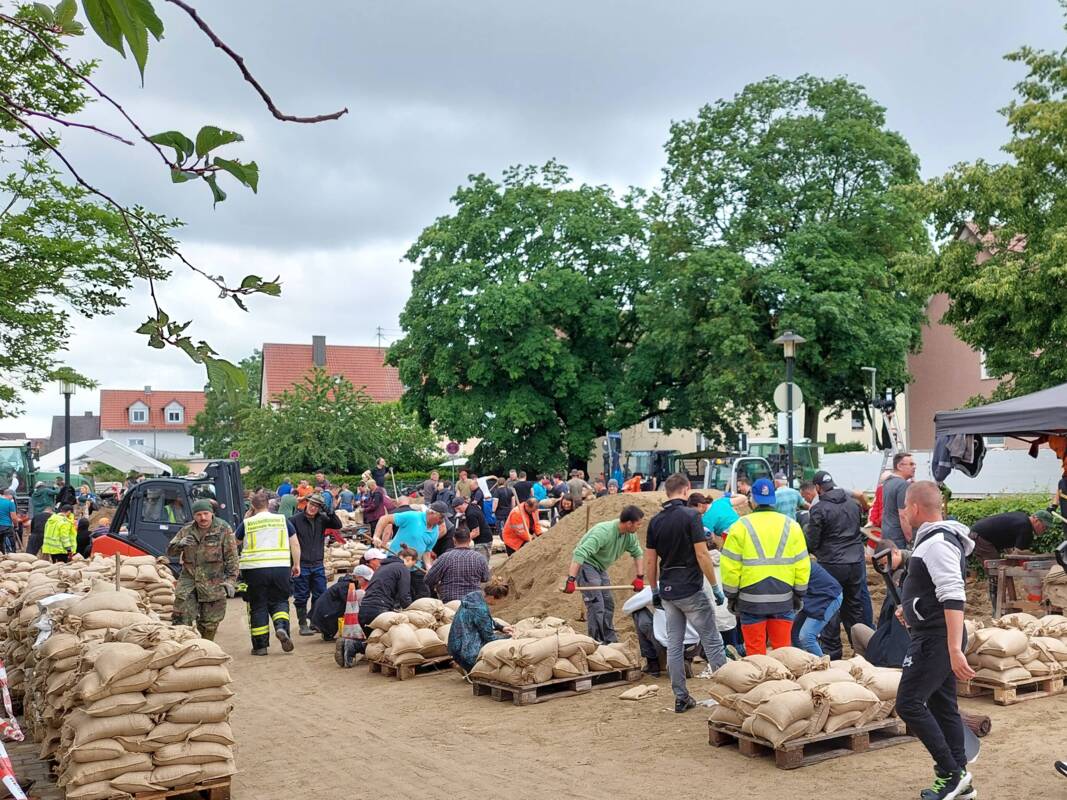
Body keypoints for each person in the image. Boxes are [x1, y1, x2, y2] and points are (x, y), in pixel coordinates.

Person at [895, 481, 976, 800]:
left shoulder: (937, 542)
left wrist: (954, 648)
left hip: (936, 639)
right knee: (944, 707)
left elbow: (954, 595)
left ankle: (950, 773)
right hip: (933, 632)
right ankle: (962, 782)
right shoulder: (933, 541)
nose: (902, 513)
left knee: (908, 703)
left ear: (915, 508)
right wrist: (911, 609)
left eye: (904, 507)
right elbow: (933, 591)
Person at [644, 473, 729, 713]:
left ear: (667, 492)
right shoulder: (691, 516)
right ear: (686, 489)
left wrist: (654, 589)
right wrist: (714, 587)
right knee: (712, 640)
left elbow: (650, 561)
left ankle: (681, 697)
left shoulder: (656, 521)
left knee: (674, 643)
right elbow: (702, 554)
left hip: (668, 589)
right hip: (690, 588)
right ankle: (726, 696)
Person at [721, 478, 810, 657]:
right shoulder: (791, 525)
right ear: (773, 499)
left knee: (756, 655)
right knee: (783, 652)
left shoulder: (739, 526)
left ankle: (760, 682)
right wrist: (799, 592)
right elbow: (802, 563)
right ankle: (784, 683)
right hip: (783, 596)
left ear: (752, 499)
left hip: (750, 599)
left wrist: (731, 595)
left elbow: (730, 566)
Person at [805, 470, 869, 660]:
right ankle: (861, 652)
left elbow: (813, 540)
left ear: (817, 488)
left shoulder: (819, 508)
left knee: (830, 606)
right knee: (855, 606)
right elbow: (859, 528)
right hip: (855, 561)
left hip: (831, 562)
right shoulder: (852, 504)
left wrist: (817, 551)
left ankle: (833, 653)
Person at [562, 506, 645, 643]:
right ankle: (596, 642)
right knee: (596, 604)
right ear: (629, 523)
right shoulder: (604, 532)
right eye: (638, 523)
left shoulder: (630, 536)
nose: (639, 527)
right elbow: (580, 553)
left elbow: (638, 553)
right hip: (586, 564)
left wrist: (640, 577)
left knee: (608, 603)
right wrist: (571, 579)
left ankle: (609, 639)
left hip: (600, 567)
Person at [234, 492, 301, 655]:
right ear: (269, 504)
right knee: (280, 601)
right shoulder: (282, 520)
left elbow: (233, 542)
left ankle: (260, 647)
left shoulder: (248, 523)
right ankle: (281, 627)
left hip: (254, 570)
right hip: (280, 567)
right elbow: (295, 544)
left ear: (253, 505)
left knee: (258, 606)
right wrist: (297, 564)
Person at [167, 499, 239, 641]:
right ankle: (184, 648)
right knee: (180, 618)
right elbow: (170, 551)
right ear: (194, 516)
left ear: (212, 513)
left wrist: (231, 581)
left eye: (206, 513)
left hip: (213, 583)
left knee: (209, 623)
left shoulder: (223, 529)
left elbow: (232, 558)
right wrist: (179, 544)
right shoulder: (187, 530)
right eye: (198, 514)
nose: (203, 518)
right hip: (189, 581)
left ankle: (205, 647)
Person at [290, 492, 343, 636]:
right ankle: (302, 624)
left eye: (317, 506)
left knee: (320, 594)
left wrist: (330, 513)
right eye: (312, 504)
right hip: (302, 564)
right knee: (301, 596)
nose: (313, 508)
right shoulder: (295, 520)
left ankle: (315, 621)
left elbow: (338, 525)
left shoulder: (322, 519)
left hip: (318, 564)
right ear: (307, 503)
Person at [373, 502, 448, 600]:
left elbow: (426, 551)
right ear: (431, 513)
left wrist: (428, 566)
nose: (442, 521)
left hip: (415, 565)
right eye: (441, 517)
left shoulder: (435, 531)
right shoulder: (412, 516)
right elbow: (385, 519)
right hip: (397, 561)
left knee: (423, 593)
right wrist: (376, 536)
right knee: (397, 592)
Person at [447, 577, 513, 673]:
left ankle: (462, 665)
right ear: (492, 597)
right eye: (500, 600)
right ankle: (469, 667)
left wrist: (501, 628)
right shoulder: (480, 609)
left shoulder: (474, 596)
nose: (499, 603)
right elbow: (489, 638)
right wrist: (509, 638)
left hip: (456, 645)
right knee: (495, 656)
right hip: (466, 650)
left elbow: (486, 620)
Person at [356, 546, 418, 643]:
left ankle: (353, 645)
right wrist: (414, 612)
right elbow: (404, 597)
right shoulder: (402, 568)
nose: (411, 568)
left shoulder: (383, 567)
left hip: (364, 609)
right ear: (409, 559)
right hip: (379, 610)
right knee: (391, 641)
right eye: (412, 565)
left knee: (374, 644)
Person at [791, 560, 843, 656]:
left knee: (806, 637)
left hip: (827, 596)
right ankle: (802, 663)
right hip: (810, 595)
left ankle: (823, 665)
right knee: (794, 634)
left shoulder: (789, 562)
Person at [425, 528, 491, 603]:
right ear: (469, 540)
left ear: (454, 540)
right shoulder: (480, 558)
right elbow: (486, 578)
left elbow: (429, 580)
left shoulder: (444, 558)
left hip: (451, 602)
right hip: (473, 601)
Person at [311, 564, 373, 644]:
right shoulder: (347, 586)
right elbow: (350, 605)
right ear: (358, 578)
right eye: (366, 580)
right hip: (324, 614)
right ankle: (326, 631)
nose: (367, 583)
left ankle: (327, 632)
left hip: (322, 613)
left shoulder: (345, 583)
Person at [970, 508, 1052, 565]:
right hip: (980, 537)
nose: (1045, 530)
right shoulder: (1026, 527)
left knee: (1000, 567)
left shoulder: (1022, 518)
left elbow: (1005, 536)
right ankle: (996, 590)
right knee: (995, 567)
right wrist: (1037, 557)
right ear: (1036, 520)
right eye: (1045, 527)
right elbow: (1019, 553)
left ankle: (1001, 589)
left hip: (978, 533)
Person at [881, 452, 916, 548]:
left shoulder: (888, 482)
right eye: (911, 464)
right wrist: (910, 540)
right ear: (900, 466)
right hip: (899, 537)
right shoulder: (903, 485)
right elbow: (903, 515)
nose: (915, 467)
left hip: (887, 534)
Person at [453, 495, 492, 563]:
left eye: (459, 508)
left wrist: (463, 541)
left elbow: (476, 532)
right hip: (485, 536)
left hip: (483, 541)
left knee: (481, 563)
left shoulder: (470, 514)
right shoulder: (473, 506)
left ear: (464, 503)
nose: (458, 511)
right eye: (456, 509)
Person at [0, 489, 17, 554]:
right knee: (11, 546)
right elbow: (14, 517)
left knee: (0, 546)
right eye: (12, 496)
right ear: (9, 495)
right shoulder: (10, 503)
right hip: (6, 527)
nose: (12, 498)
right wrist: (16, 525)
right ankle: (11, 560)